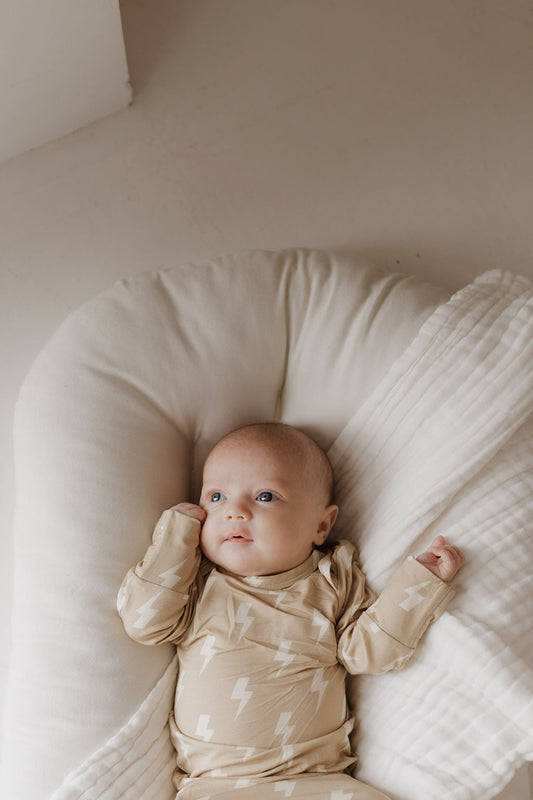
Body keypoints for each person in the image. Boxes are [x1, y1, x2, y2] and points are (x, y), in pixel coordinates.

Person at [117, 422, 464, 800]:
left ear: (321, 524)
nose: (234, 511)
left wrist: (419, 582)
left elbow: (369, 652)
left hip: (316, 780)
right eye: (216, 497)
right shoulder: (198, 581)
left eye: (265, 496)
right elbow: (144, 623)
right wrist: (176, 538)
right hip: (215, 785)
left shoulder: (331, 579)